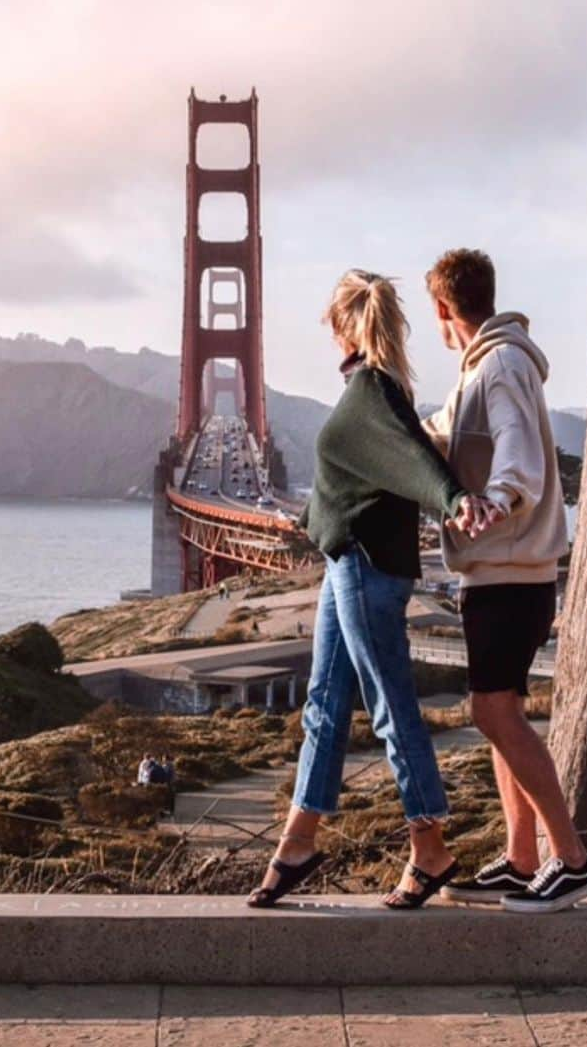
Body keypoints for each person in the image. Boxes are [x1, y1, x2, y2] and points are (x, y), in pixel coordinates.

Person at [246, 269, 497, 911]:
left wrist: (451, 499)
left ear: (343, 326)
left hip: (363, 569)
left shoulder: (371, 392)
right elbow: (365, 474)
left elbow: (411, 460)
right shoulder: (379, 390)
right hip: (345, 564)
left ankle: (430, 844)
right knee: (325, 705)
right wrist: (305, 519)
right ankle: (299, 841)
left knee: (388, 705)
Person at [422, 248, 587, 913]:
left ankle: (573, 858)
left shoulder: (498, 366)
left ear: (444, 309)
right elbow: (439, 436)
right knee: (502, 714)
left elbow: (519, 453)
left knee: (491, 710)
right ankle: (522, 855)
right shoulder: (485, 367)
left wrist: (494, 502)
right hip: (504, 573)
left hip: (509, 571)